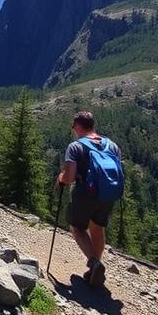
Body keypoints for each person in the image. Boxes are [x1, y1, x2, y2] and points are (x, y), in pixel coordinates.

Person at [56, 110, 121, 288]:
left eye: (73, 126)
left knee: (77, 228)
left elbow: (69, 177)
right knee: (98, 227)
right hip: (108, 194)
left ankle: (94, 263)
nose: (73, 129)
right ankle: (95, 268)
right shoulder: (112, 146)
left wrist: (61, 178)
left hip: (85, 193)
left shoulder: (75, 147)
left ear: (78, 126)